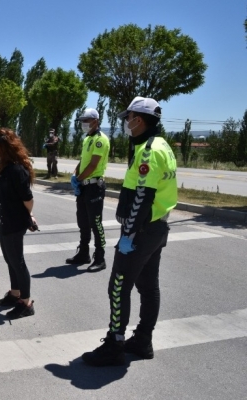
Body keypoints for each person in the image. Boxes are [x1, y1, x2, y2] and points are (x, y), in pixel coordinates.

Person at [82, 97, 177, 366]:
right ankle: (143, 340)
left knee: (117, 287)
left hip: (141, 231)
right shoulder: (163, 146)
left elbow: (143, 197)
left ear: (140, 119)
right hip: (157, 228)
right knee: (148, 286)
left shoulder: (149, 150)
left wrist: (129, 235)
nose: (126, 122)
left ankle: (115, 344)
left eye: (128, 117)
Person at [0, 127, 39, 319]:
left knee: (17, 262)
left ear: (3, 146)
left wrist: (29, 215)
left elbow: (28, 198)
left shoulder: (17, 170)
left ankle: (26, 303)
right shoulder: (7, 167)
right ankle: (15, 293)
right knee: (10, 259)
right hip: (7, 219)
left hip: (15, 221)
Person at [67, 108, 110, 272]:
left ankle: (100, 258)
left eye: (86, 121)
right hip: (84, 186)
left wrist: (78, 179)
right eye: (82, 121)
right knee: (83, 221)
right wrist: (75, 174)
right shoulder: (87, 139)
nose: (84, 124)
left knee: (95, 223)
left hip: (94, 186)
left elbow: (93, 165)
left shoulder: (100, 140)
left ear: (95, 121)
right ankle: (83, 253)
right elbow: (83, 161)